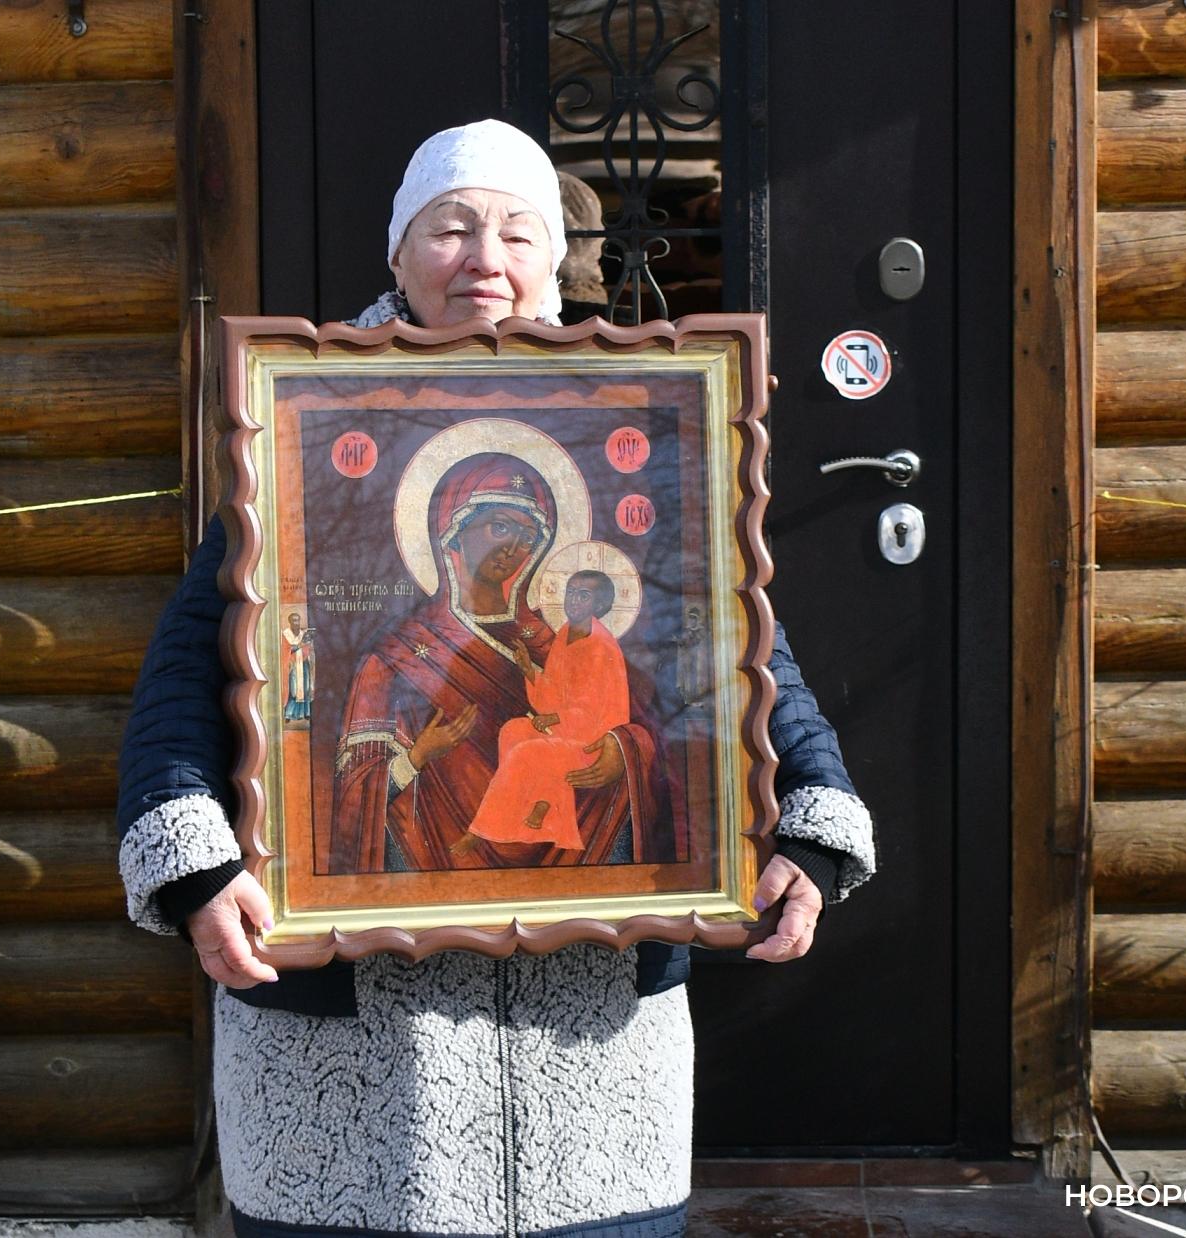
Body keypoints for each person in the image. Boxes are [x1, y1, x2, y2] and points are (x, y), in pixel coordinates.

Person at [117, 118, 876, 1238]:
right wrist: (195, 864)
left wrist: (809, 827)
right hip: (363, 1071)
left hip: (588, 1060)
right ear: (397, 254)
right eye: (451, 227)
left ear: (557, 263)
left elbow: (740, 654)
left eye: (521, 231)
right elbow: (195, 671)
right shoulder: (306, 433)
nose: (487, 256)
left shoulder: (649, 424)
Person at [328, 454, 670, 873]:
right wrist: (415, 758)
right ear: (454, 531)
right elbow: (353, 799)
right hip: (433, 872)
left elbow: (646, 725)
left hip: (578, 876)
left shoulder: (560, 639)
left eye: (527, 537)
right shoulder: (395, 656)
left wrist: (623, 750)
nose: (512, 549)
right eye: (500, 527)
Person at [468, 569, 630, 850]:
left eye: (584, 595)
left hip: (591, 741)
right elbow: (552, 695)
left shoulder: (601, 646)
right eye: (570, 592)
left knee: (528, 751)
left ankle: (483, 830)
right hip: (566, 728)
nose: (574, 600)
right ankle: (536, 807)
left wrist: (557, 718)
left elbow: (596, 713)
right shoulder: (566, 634)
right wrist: (529, 670)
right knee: (513, 731)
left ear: (600, 605)